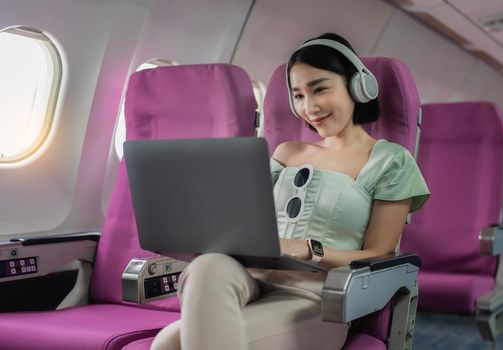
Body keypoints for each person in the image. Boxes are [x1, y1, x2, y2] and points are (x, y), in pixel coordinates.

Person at [151, 33, 429, 350]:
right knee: (206, 266)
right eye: (298, 95)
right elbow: (244, 220)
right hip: (247, 280)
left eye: (320, 89)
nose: (308, 107)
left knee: (166, 345)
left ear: (357, 85)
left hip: (314, 298)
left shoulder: (390, 161)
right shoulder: (286, 152)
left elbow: (380, 255)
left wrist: (310, 250)